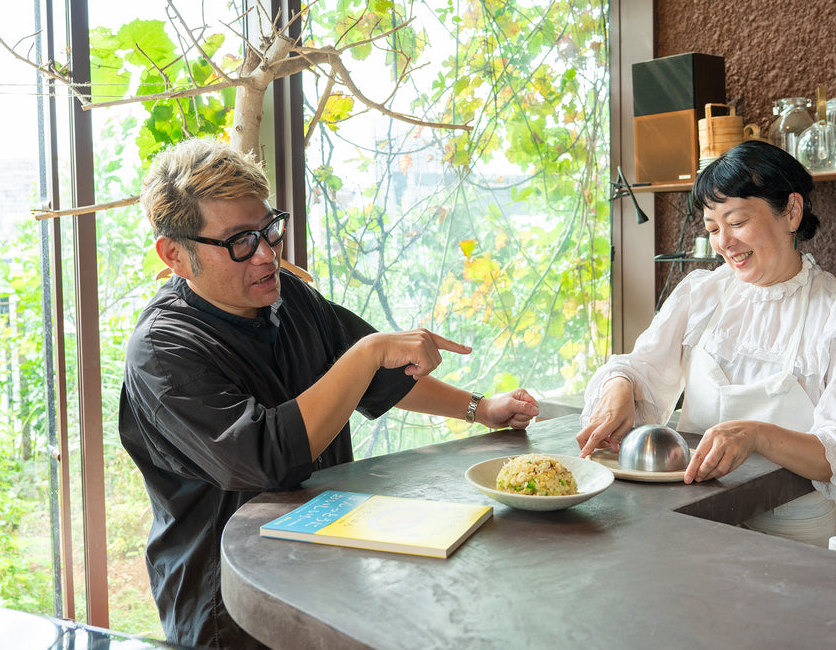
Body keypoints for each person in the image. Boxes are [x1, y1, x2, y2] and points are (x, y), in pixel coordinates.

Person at [118, 138, 540, 649]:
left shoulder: (287, 296)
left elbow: (382, 377)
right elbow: (268, 457)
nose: (268, 255)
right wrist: (365, 353)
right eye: (239, 242)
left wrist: (480, 409)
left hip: (325, 566)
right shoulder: (163, 351)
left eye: (269, 230)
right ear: (175, 255)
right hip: (227, 603)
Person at [576, 140, 836, 547]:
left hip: (791, 539)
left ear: (791, 211)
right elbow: (639, 368)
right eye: (713, 228)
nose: (723, 242)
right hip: (692, 523)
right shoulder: (702, 294)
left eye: (736, 222)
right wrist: (619, 389)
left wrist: (758, 435)